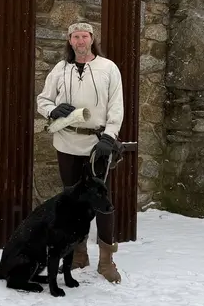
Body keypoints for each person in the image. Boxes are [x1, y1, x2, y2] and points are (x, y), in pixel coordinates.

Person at [36, 21, 124, 283]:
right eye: (75, 37)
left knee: (102, 203)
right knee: (72, 202)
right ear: (70, 40)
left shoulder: (108, 68)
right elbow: (43, 99)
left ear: (92, 38)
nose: (80, 41)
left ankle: (106, 260)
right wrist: (52, 110)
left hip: (98, 145)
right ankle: (78, 254)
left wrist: (109, 137)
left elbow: (116, 106)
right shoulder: (60, 69)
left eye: (84, 36)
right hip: (67, 142)